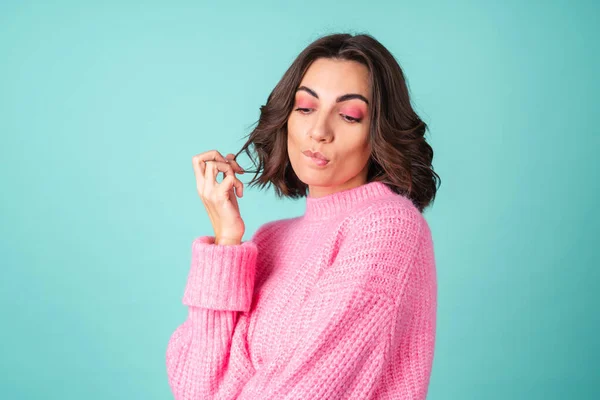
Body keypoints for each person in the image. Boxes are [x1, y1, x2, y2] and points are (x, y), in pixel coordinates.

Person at [166, 32, 440, 399]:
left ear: (378, 133)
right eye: (306, 108)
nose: (319, 131)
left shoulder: (388, 227)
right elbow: (193, 387)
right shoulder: (269, 240)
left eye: (348, 115)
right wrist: (226, 243)